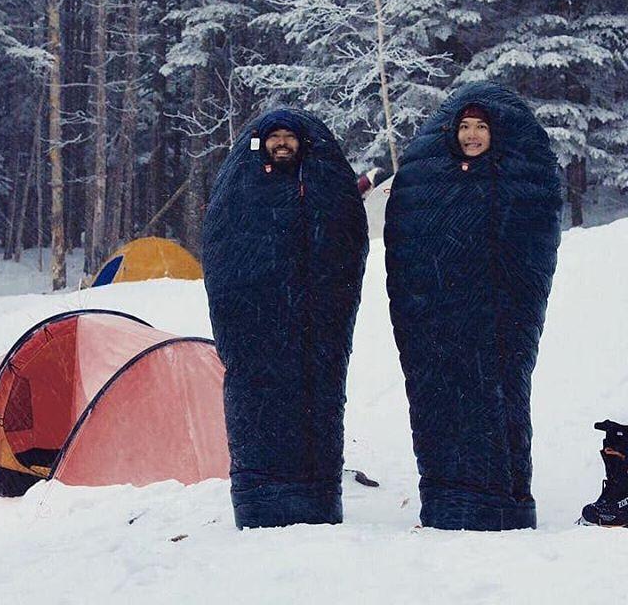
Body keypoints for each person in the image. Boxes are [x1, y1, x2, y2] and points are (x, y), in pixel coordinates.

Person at [384, 82, 562, 531]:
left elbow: (533, 245)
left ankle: (503, 501)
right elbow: (409, 244)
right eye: (465, 126)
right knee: (442, 404)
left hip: (499, 318)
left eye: (481, 127)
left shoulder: (516, 179)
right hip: (440, 319)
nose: (472, 135)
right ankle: (449, 500)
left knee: (501, 400)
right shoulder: (431, 178)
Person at [203, 108, 368, 529]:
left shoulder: (322, 188)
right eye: (274, 137)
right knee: (259, 410)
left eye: (289, 138)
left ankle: (315, 500)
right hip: (257, 329)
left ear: (302, 144)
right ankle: (261, 501)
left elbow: (345, 247)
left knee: (315, 410)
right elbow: (223, 254)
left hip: (313, 329)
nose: (282, 144)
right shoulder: (240, 189)